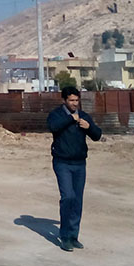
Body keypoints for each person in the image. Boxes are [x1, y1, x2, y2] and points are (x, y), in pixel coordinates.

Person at [47, 86, 102, 252]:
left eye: (77, 100)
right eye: (71, 100)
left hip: (79, 164)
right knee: (68, 197)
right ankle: (64, 236)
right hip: (62, 162)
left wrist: (89, 127)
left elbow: (97, 135)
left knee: (77, 200)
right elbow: (53, 127)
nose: (74, 103)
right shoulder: (56, 115)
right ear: (64, 100)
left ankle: (73, 236)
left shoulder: (83, 117)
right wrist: (71, 119)